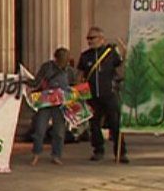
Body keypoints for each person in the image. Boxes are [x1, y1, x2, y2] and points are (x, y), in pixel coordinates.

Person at [78, 26, 129, 163]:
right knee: (94, 124)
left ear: (101, 39)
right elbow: (81, 75)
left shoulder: (110, 53)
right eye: (88, 38)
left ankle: (121, 152)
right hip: (92, 96)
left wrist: (125, 52)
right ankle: (98, 150)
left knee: (115, 123)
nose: (89, 41)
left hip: (109, 93)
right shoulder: (85, 56)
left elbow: (122, 66)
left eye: (92, 38)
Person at [29, 47, 78, 165]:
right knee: (40, 128)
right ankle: (36, 153)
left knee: (59, 131)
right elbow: (36, 82)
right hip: (45, 101)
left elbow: (74, 87)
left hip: (61, 104)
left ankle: (56, 155)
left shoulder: (70, 71)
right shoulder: (47, 67)